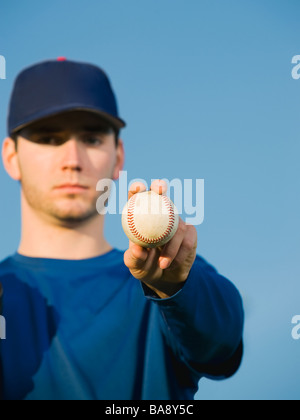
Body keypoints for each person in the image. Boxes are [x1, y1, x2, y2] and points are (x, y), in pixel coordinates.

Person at [0, 58, 244, 401]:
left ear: (118, 157)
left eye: (91, 138)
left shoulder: (162, 278)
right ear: (11, 156)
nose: (73, 158)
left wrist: (174, 286)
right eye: (49, 139)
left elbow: (223, 344)